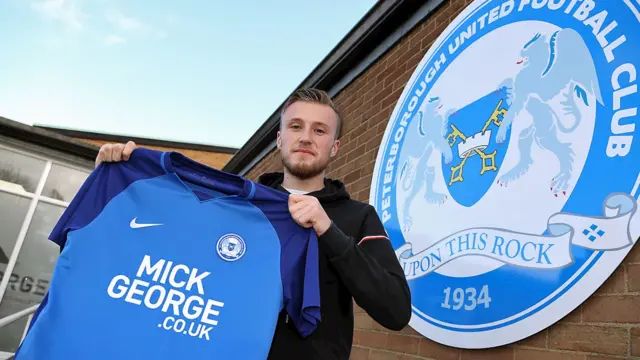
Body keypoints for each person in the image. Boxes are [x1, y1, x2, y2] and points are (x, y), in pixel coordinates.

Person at [93, 88, 412, 359]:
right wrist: (118, 178)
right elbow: (158, 252)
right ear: (279, 138)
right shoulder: (237, 207)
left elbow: (395, 310)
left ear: (335, 146)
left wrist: (328, 231)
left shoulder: (358, 218)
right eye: (296, 126)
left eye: (319, 130)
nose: (305, 138)